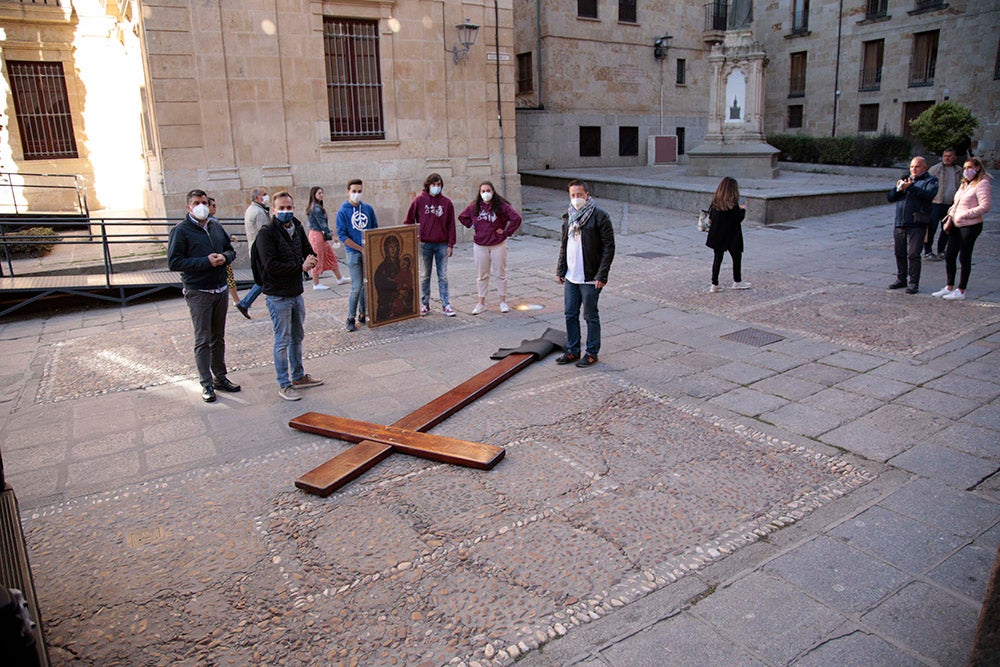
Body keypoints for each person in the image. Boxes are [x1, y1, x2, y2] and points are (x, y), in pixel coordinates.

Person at [167, 189, 241, 403]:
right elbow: (175, 262)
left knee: (218, 337)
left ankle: (220, 377)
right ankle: (206, 383)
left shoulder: (215, 226)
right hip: (198, 290)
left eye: (205, 202)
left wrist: (224, 258)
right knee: (203, 339)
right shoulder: (181, 231)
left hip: (219, 288)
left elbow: (230, 250)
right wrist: (205, 262)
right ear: (188, 207)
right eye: (197, 203)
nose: (202, 206)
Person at [252, 191, 325, 401]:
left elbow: (308, 249)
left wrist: (311, 259)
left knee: (297, 336)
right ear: (273, 210)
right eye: (281, 208)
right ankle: (284, 384)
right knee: (282, 339)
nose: (286, 211)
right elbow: (270, 265)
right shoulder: (267, 233)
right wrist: (299, 266)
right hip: (278, 294)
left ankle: (299, 376)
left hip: (295, 291)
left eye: (289, 207)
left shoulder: (297, 226)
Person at [556, 179, 615, 368]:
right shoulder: (568, 217)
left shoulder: (599, 216)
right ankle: (573, 350)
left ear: (587, 195)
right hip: (572, 277)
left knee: (590, 315)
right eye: (573, 195)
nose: (576, 198)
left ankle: (591, 352)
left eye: (579, 195)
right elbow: (564, 245)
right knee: (570, 314)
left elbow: (609, 247)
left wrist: (602, 275)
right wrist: (561, 269)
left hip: (590, 277)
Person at [931, 156, 993, 301]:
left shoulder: (982, 184)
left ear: (977, 168)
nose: (966, 171)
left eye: (969, 168)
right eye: (965, 168)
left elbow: (985, 206)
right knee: (950, 255)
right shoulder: (965, 184)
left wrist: (965, 214)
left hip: (970, 225)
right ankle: (949, 285)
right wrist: (952, 213)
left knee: (964, 256)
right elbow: (957, 201)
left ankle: (961, 289)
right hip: (956, 223)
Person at [458, 180, 522, 314]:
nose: (486, 193)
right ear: (479, 193)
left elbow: (516, 218)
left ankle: (503, 301)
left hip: (498, 244)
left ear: (493, 192)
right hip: (480, 245)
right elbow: (462, 217)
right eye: (483, 191)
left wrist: (506, 232)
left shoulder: (501, 206)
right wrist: (472, 226)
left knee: (500, 273)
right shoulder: (474, 207)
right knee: (482, 274)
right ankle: (481, 302)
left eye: (488, 191)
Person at [405, 173, 457, 316]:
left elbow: (451, 224)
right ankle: (425, 303)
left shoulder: (447, 203)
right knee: (425, 275)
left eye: (439, 185)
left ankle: (446, 304)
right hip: (424, 244)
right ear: (428, 185)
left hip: (442, 244)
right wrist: (412, 235)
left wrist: (451, 244)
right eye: (433, 185)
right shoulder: (419, 200)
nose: (436, 187)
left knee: (443, 276)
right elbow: (409, 220)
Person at [887, 156, 938, 294]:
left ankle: (913, 282)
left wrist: (911, 187)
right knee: (899, 252)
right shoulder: (905, 180)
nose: (913, 169)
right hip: (900, 222)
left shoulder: (930, 181)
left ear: (924, 167)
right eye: (911, 167)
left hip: (917, 222)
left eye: (917, 166)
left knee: (913, 254)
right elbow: (890, 197)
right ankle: (901, 278)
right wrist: (899, 189)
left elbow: (928, 195)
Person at [336, 178, 379, 332]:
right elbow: (342, 235)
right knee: (356, 286)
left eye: (359, 191)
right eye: (354, 191)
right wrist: (360, 248)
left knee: (365, 286)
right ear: (348, 191)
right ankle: (350, 317)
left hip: (367, 252)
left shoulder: (368, 209)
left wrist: (371, 247)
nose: (356, 194)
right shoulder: (343, 211)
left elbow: (374, 228)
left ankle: (363, 313)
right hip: (354, 253)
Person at [705, 177, 750, 293]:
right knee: (736, 257)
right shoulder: (735, 204)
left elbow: (711, 217)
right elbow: (739, 218)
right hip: (732, 234)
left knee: (717, 258)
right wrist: (743, 208)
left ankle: (714, 284)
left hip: (718, 234)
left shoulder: (716, 201)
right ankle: (737, 281)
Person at [236, 187, 270, 318]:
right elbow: (264, 233)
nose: (267, 197)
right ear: (257, 198)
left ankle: (245, 303)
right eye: (264, 194)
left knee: (264, 279)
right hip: (260, 251)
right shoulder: (259, 212)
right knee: (264, 279)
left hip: (256, 250)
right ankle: (245, 303)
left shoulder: (252, 209)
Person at [305, 186, 348, 291]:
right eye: (319, 193)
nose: (321, 195)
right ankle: (316, 283)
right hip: (317, 235)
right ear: (314, 195)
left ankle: (339, 278)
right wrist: (332, 235)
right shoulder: (316, 208)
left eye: (322, 193)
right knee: (317, 258)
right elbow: (322, 224)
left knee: (330, 255)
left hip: (318, 235)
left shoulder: (315, 207)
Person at [208, 197, 244, 313]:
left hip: (223, 255)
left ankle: (236, 299)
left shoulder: (214, 220)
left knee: (229, 277)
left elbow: (220, 234)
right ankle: (237, 300)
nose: (215, 208)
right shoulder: (209, 221)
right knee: (229, 278)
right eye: (213, 205)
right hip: (217, 255)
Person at [926, 148, 961, 260]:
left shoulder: (959, 171)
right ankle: (928, 251)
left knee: (947, 228)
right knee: (931, 228)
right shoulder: (935, 169)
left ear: (954, 157)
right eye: (945, 155)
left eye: (950, 156)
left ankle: (941, 250)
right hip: (936, 203)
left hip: (950, 204)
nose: (947, 158)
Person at [373, 233, 401, 321]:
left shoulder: (402, 264)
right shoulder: (382, 268)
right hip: (387, 305)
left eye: (395, 247)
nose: (393, 250)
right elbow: (382, 286)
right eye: (390, 247)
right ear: (386, 249)